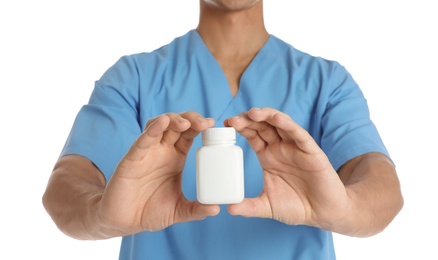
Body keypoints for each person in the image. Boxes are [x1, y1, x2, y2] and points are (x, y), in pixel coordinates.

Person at [42, 1, 404, 259]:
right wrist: (101, 216)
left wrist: (344, 209)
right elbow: (67, 182)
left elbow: (380, 184)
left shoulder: (327, 83)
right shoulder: (133, 79)